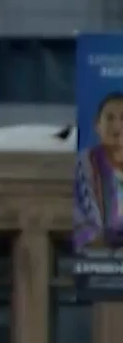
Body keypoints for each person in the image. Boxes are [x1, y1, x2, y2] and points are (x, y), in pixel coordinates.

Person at [73, 92, 123, 251]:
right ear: (97, 124)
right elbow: (81, 222)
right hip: (96, 261)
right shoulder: (83, 164)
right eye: (109, 118)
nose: (117, 127)